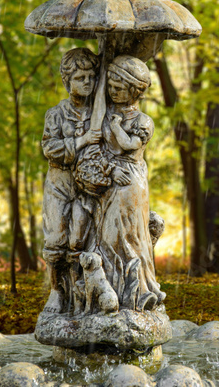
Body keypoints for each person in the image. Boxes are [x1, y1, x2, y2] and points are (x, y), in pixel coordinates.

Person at [86, 55, 165, 311]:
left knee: (129, 235)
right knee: (106, 236)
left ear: (134, 90)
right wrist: (107, 170)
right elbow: (97, 147)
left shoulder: (143, 122)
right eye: (110, 86)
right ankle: (108, 290)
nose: (113, 92)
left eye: (119, 88)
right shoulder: (104, 114)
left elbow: (128, 146)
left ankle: (140, 291)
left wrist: (117, 126)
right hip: (109, 181)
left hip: (131, 183)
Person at [41, 47, 101, 313]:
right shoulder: (56, 113)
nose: (86, 82)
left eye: (90, 76)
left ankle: (79, 294)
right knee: (56, 240)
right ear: (67, 81)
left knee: (80, 241)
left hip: (87, 186)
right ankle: (56, 291)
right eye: (80, 78)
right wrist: (81, 141)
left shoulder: (100, 111)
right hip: (60, 183)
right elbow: (49, 148)